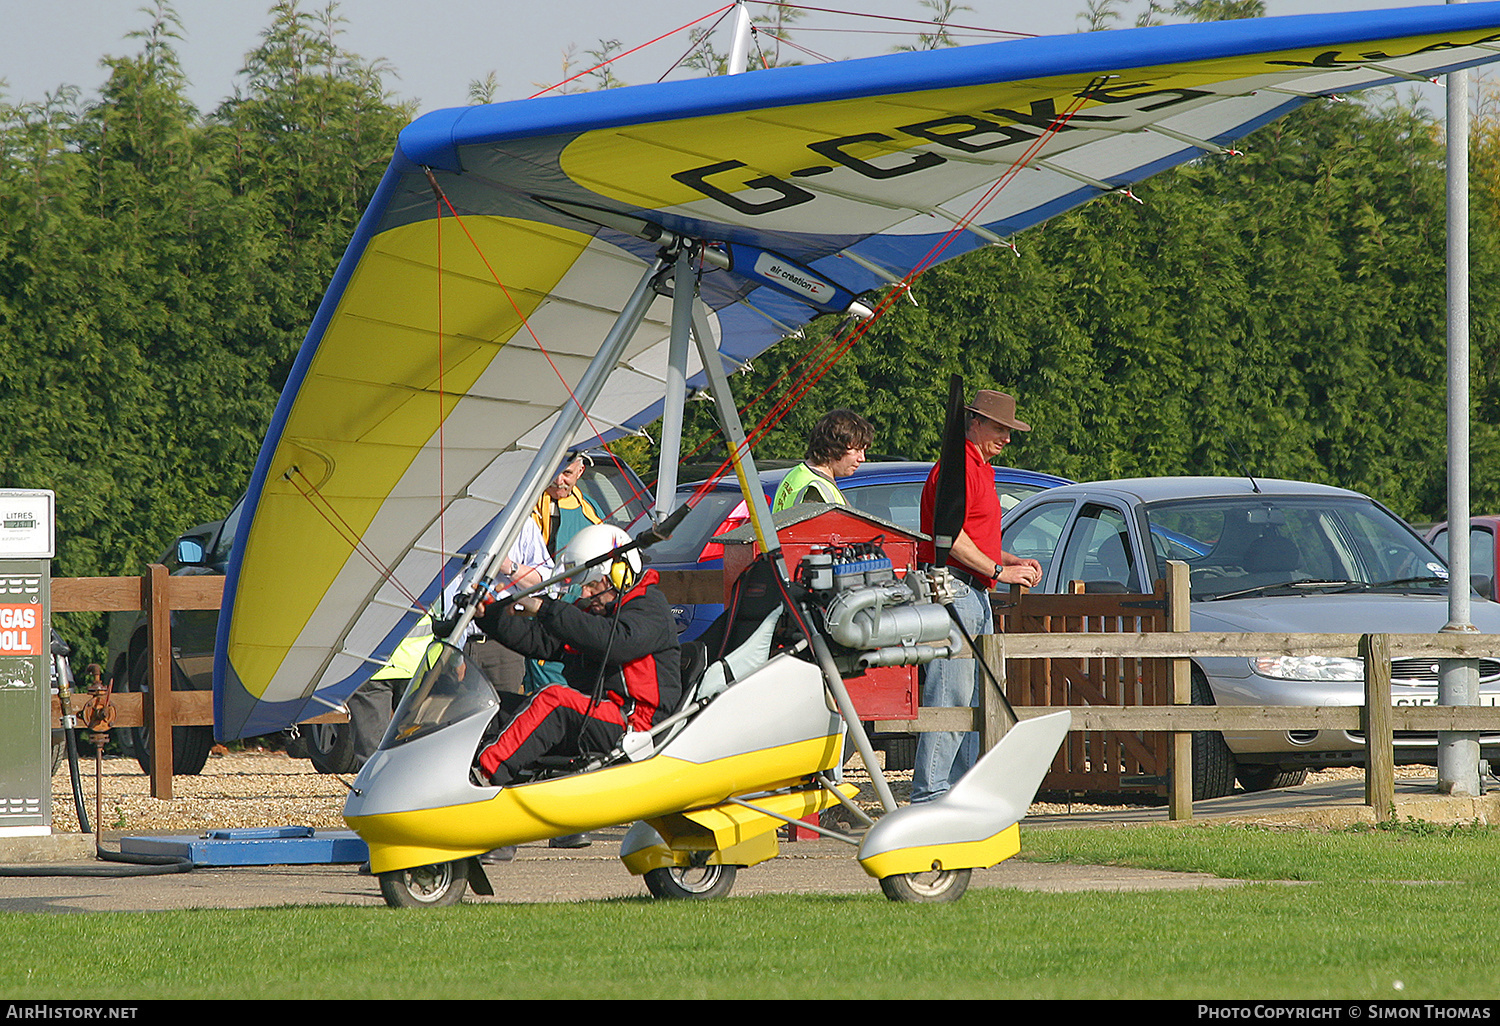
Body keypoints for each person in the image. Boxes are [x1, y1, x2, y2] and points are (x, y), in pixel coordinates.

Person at [470, 523, 682, 794]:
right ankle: (456, 771)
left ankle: (483, 779)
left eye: (592, 585)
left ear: (619, 574)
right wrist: (489, 616)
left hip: (634, 722)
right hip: (598, 713)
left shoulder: (649, 607)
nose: (585, 594)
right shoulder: (598, 613)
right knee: (495, 705)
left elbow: (614, 642)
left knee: (554, 701)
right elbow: (542, 641)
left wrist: (546, 608)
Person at [911, 389, 1042, 804]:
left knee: (973, 696)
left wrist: (1008, 558)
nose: (1006, 437)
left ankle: (959, 793)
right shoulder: (957, 469)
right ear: (975, 422)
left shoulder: (981, 468)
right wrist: (1002, 571)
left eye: (1010, 430)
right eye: (1000, 428)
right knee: (949, 692)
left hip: (974, 590)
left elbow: (976, 538)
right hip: (955, 588)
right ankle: (930, 794)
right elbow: (949, 540)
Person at [771, 409, 873, 511]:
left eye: (863, 450)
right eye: (857, 450)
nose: (862, 458)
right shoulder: (817, 491)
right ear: (834, 447)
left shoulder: (795, 474)